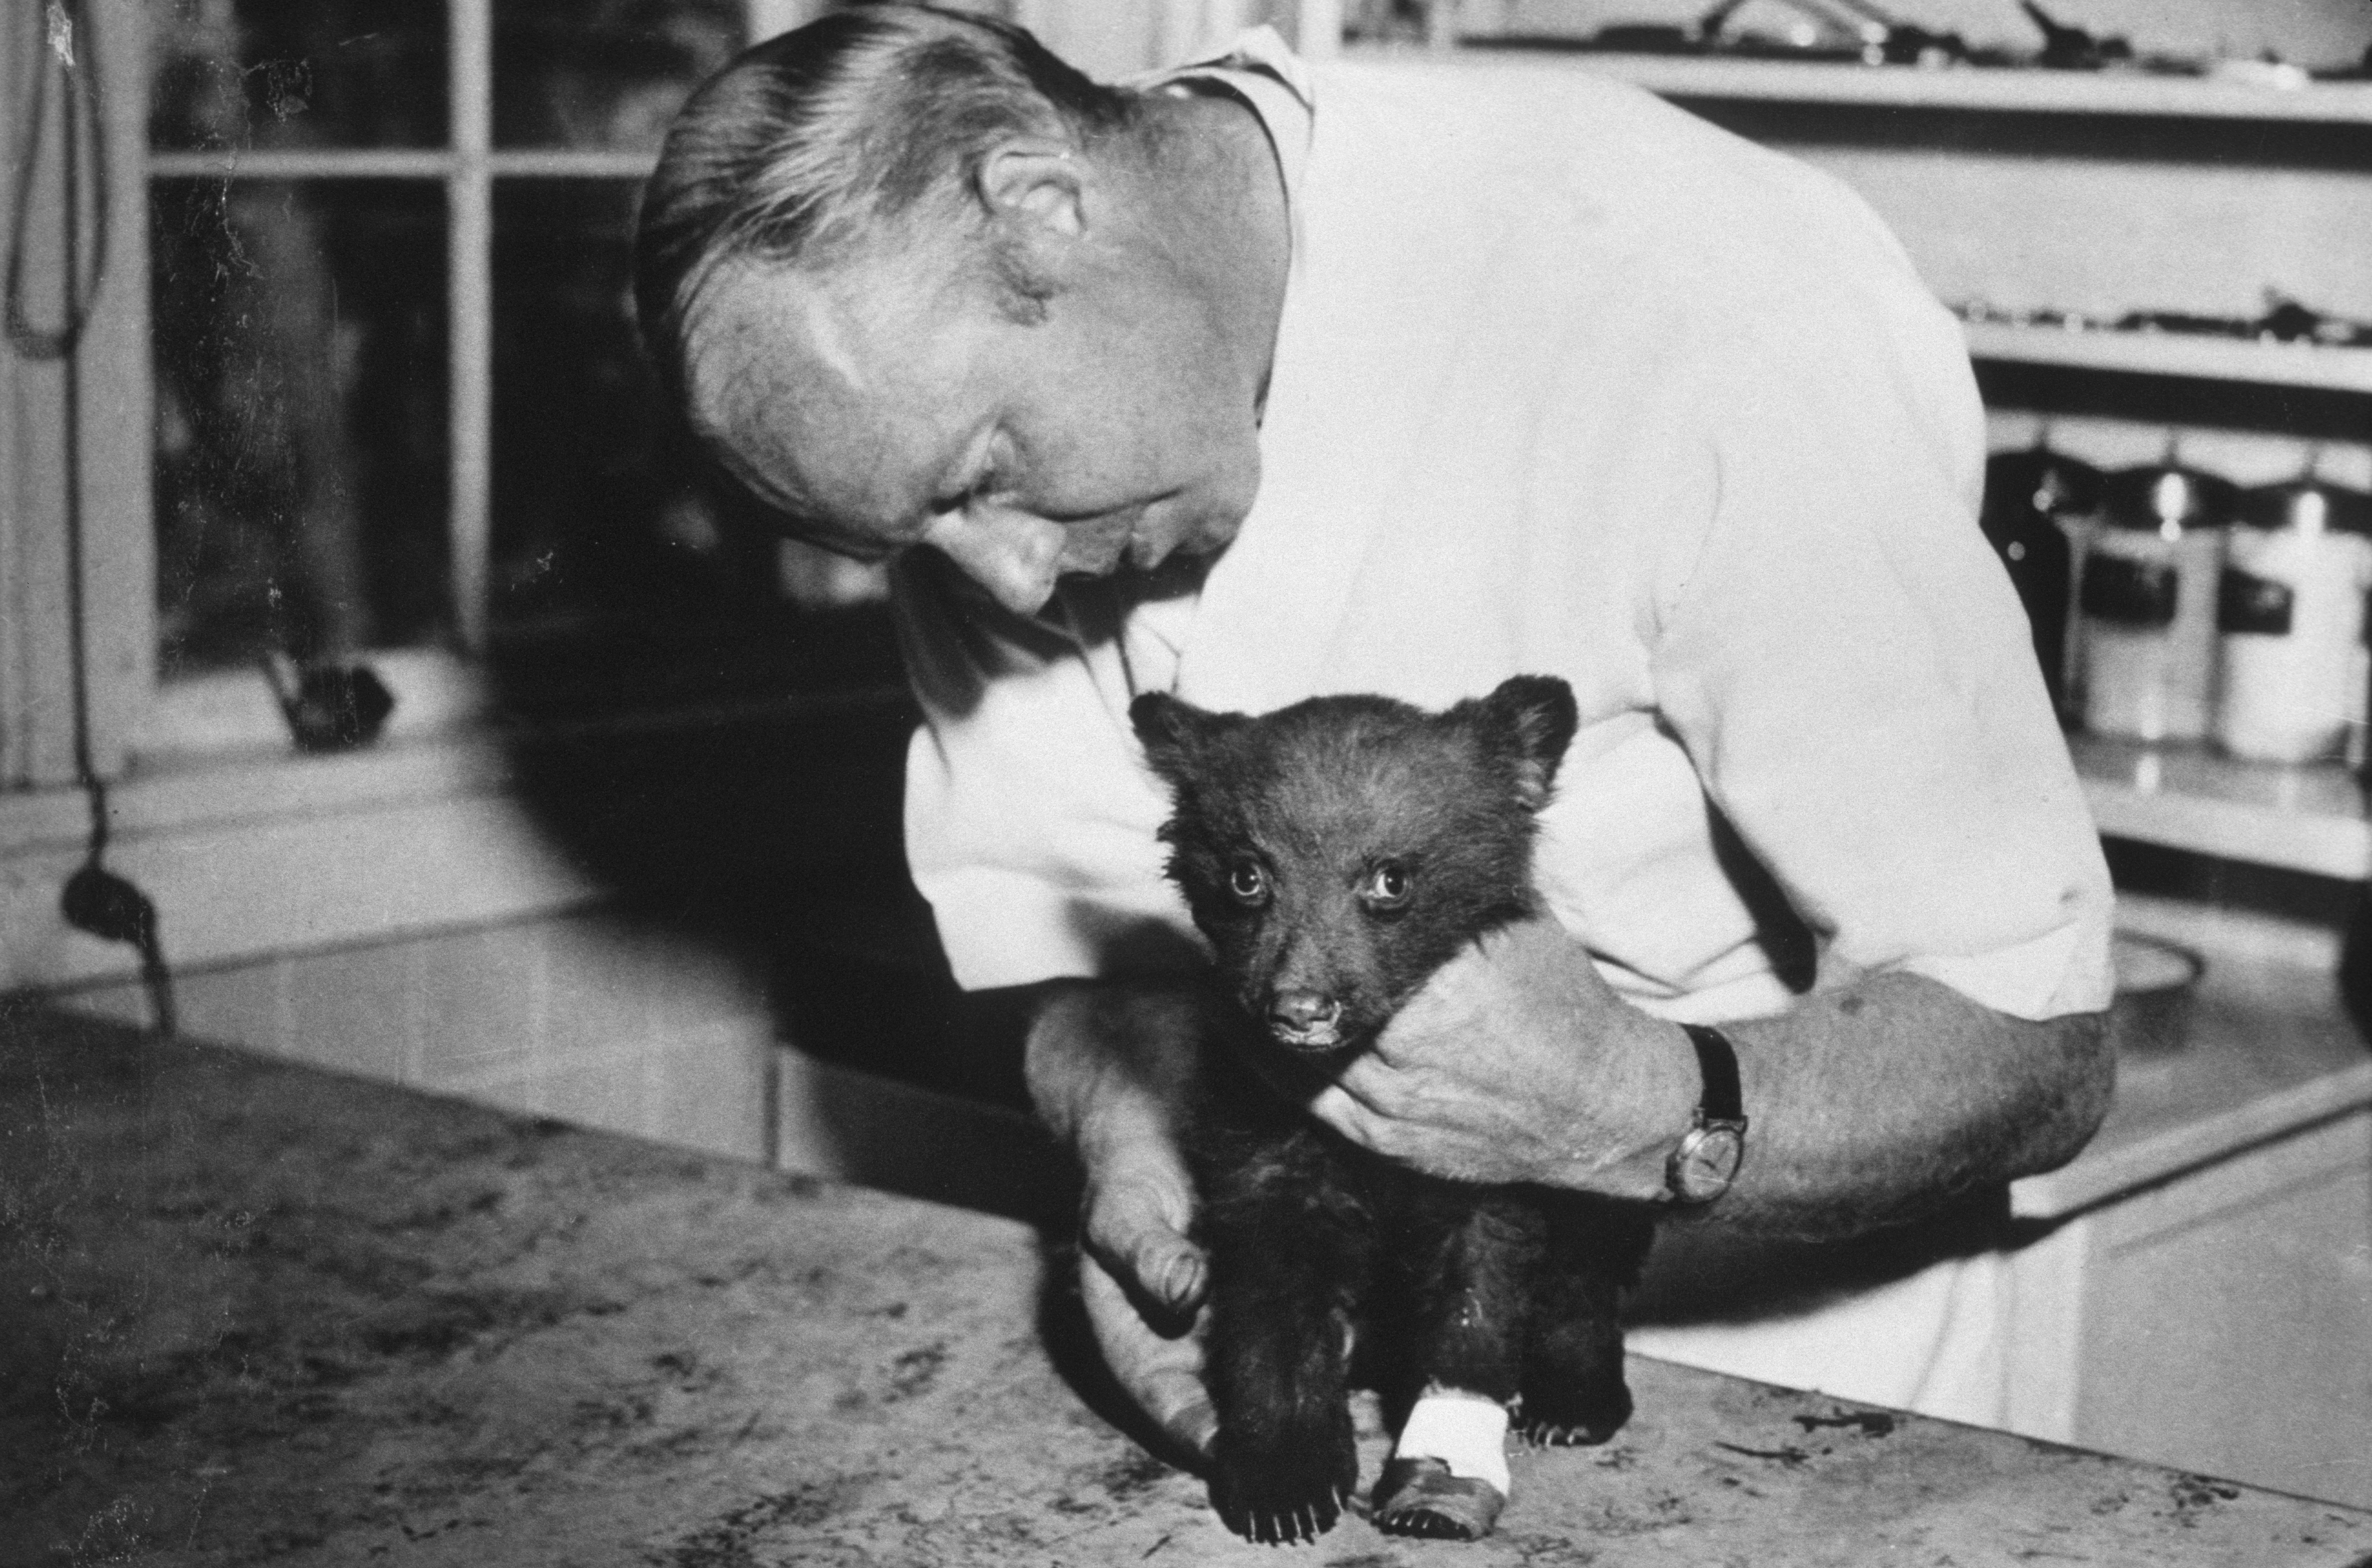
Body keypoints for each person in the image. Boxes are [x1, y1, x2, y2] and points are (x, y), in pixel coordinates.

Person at [634, 1, 2115, 1473]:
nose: (1003, 581)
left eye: (982, 480)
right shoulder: (964, 456)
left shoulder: (1692, 293)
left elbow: (2035, 1049)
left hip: (1776, 1366)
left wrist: (1629, 1108)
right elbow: (1079, 949)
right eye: (910, 537)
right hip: (1313, 1322)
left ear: (1044, 206)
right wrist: (1127, 1149)